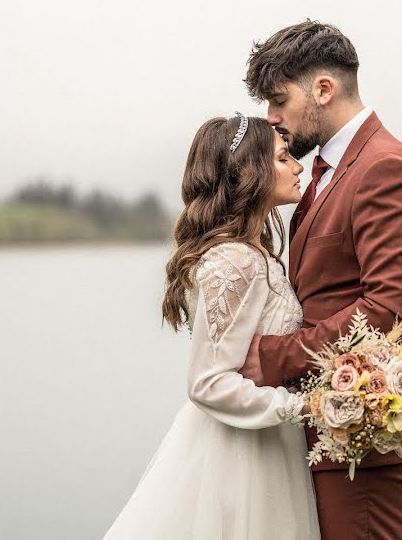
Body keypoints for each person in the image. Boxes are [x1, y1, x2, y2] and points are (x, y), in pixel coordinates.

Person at [239, 20, 402, 539]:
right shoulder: (327, 174)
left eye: (278, 100)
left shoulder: (387, 169)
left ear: (322, 89)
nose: (271, 119)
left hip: (371, 429)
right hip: (329, 424)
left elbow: (389, 312)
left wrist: (271, 356)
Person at [102, 114, 321, 540]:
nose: (298, 166)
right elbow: (207, 383)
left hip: (266, 447)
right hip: (242, 458)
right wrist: (304, 407)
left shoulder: (254, 254)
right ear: (250, 172)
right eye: (282, 158)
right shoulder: (236, 260)